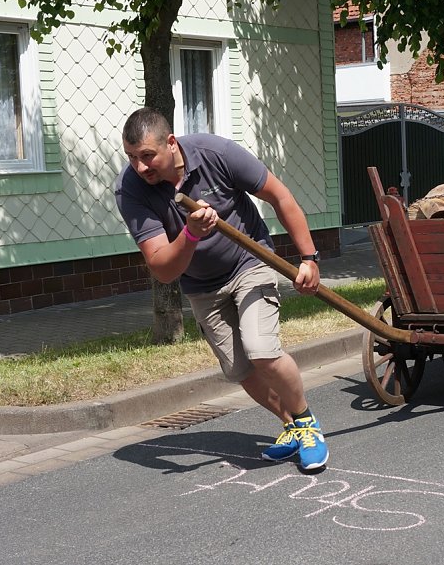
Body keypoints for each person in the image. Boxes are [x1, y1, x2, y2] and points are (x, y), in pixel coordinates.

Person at [114, 107, 329, 470]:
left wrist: (309, 258)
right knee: (238, 368)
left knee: (261, 349)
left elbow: (280, 196)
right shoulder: (130, 189)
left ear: (171, 143)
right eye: (131, 157)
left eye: (147, 156)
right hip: (201, 285)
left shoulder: (216, 153)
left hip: (250, 262)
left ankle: (307, 424)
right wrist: (191, 234)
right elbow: (163, 269)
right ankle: (291, 425)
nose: (140, 167)